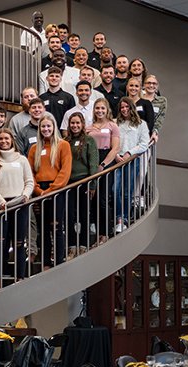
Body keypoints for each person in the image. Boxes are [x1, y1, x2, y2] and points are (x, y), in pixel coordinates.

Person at [0, 129, 34, 288]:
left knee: (19, 243)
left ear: (12, 140)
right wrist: (0, 201)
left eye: (6, 138)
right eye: (0, 139)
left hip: (20, 205)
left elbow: (29, 181)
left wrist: (26, 195)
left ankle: (20, 277)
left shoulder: (22, 159)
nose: (3, 141)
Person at [27, 115, 71, 269]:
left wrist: (51, 190)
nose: (46, 129)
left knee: (56, 228)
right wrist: (39, 191)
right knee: (43, 229)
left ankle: (58, 261)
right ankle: (45, 263)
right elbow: (30, 173)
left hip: (56, 190)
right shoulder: (34, 148)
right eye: (43, 127)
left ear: (54, 127)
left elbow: (65, 171)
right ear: (39, 129)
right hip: (39, 191)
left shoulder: (63, 145)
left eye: (48, 126)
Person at [86, 98, 121, 245]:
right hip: (92, 160)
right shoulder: (88, 128)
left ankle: (106, 232)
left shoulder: (112, 126)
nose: (100, 111)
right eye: (97, 108)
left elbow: (116, 148)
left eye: (102, 108)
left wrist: (103, 164)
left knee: (103, 199)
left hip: (107, 160)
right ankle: (97, 233)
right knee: (92, 200)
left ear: (107, 110)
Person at [64, 113, 98, 259]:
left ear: (83, 124)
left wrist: (92, 184)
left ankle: (83, 245)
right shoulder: (66, 141)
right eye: (72, 123)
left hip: (84, 182)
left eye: (78, 123)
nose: (75, 126)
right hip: (69, 184)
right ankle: (72, 246)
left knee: (84, 215)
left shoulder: (89, 140)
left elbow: (93, 163)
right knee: (69, 216)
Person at [114, 98, 150, 233]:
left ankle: (123, 219)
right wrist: (116, 155)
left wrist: (130, 153)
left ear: (132, 108)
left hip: (132, 160)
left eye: (127, 107)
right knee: (115, 190)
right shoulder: (115, 123)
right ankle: (119, 217)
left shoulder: (141, 124)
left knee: (127, 191)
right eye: (122, 107)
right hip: (117, 161)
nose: (124, 110)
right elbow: (112, 142)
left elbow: (144, 144)